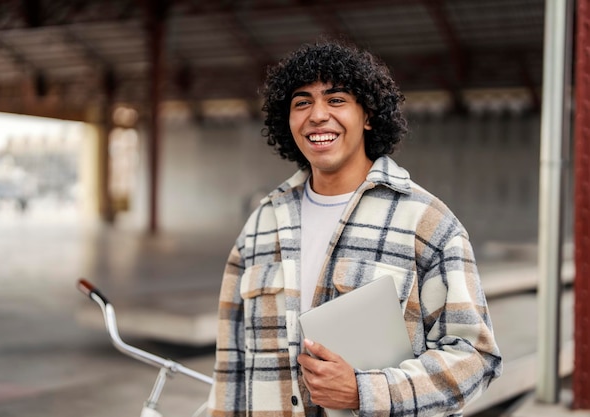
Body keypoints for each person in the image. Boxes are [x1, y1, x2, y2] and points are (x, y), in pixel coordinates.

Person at [207, 40, 501, 417]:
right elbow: (231, 365)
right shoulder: (263, 224)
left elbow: (475, 358)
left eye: (336, 100)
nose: (317, 115)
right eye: (302, 102)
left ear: (367, 115)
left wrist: (366, 392)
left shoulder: (426, 223)